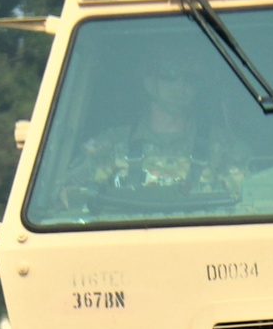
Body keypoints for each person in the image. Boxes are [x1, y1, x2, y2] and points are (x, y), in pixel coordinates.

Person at [62, 44, 246, 210]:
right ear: (149, 82)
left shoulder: (225, 147)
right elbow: (68, 197)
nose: (181, 85)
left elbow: (248, 203)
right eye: (170, 74)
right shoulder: (110, 146)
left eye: (191, 78)